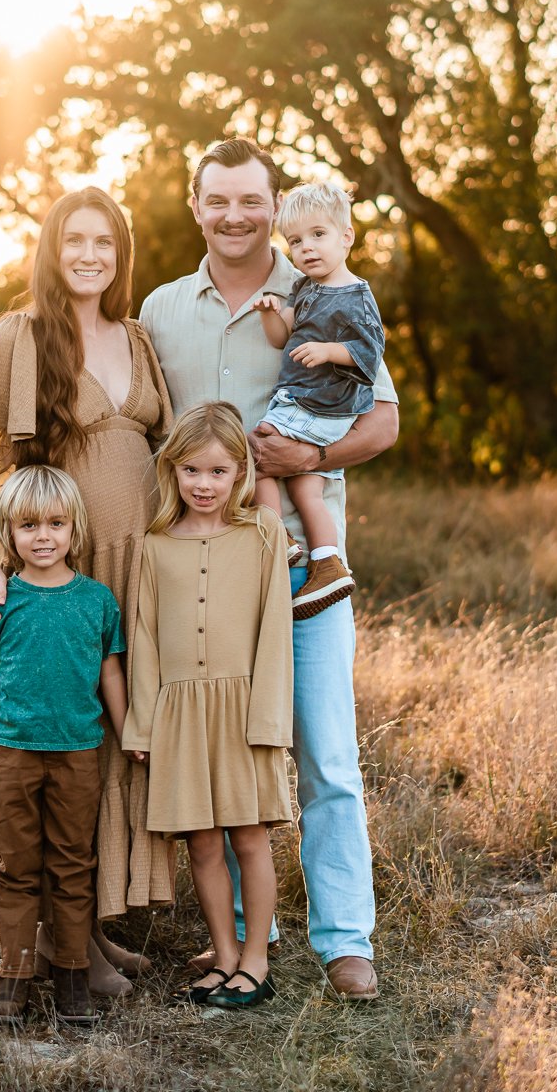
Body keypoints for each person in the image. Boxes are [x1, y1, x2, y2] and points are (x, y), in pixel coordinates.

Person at [139, 138, 398, 1002]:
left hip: (302, 569)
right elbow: (149, 440)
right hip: (207, 581)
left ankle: (345, 940)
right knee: (233, 749)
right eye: (219, 201)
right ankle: (251, 935)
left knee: (324, 751)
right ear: (196, 205)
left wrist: (294, 463)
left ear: (274, 201)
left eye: (252, 200)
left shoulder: (321, 290)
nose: (236, 216)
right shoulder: (163, 308)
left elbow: (383, 424)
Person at [0, 187, 175, 998]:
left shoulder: (138, 339)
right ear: (51, 248)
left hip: (133, 574)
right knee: (45, 740)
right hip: (56, 574)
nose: (88, 255)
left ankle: (93, 930)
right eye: (73, 239)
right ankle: (42, 940)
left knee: (104, 740)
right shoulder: (20, 335)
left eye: (103, 242)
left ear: (120, 254)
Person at [122, 402, 293, 1010]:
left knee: (249, 838)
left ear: (240, 473)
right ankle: (222, 955)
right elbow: (142, 639)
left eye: (219, 472)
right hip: (180, 715)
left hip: (244, 707)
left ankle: (256, 959)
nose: (203, 484)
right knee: (200, 842)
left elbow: (275, 628)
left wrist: (269, 719)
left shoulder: (263, 532)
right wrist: (142, 723)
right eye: (191, 470)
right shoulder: (155, 543)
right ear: (172, 471)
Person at [0, 465, 127, 1026]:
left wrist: (129, 736)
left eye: (56, 523)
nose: (44, 536)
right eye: (29, 525)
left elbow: (109, 676)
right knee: (16, 866)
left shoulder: (97, 601)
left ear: (74, 528)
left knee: (73, 864)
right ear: (9, 532)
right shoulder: (2, 598)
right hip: (12, 751)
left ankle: (73, 976)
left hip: (79, 752)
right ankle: (13, 977)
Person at [250, 181, 386, 618]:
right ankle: (327, 561)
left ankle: (275, 538)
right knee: (307, 485)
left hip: (322, 403)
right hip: (305, 399)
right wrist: (272, 313)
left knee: (255, 449)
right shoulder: (307, 288)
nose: (306, 248)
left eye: (318, 235)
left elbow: (369, 353)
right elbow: (280, 338)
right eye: (295, 241)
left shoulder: (356, 296)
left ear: (346, 237)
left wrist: (330, 351)